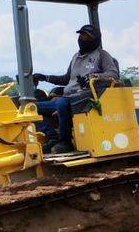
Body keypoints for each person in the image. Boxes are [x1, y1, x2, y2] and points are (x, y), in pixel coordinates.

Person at [34, 24, 119, 154]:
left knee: (62, 103)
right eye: (81, 35)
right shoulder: (75, 57)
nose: (82, 39)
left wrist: (93, 76)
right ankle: (52, 137)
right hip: (68, 97)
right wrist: (45, 77)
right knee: (32, 107)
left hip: (84, 98)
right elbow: (67, 78)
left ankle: (65, 142)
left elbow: (113, 74)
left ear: (95, 39)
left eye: (86, 36)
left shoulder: (101, 55)